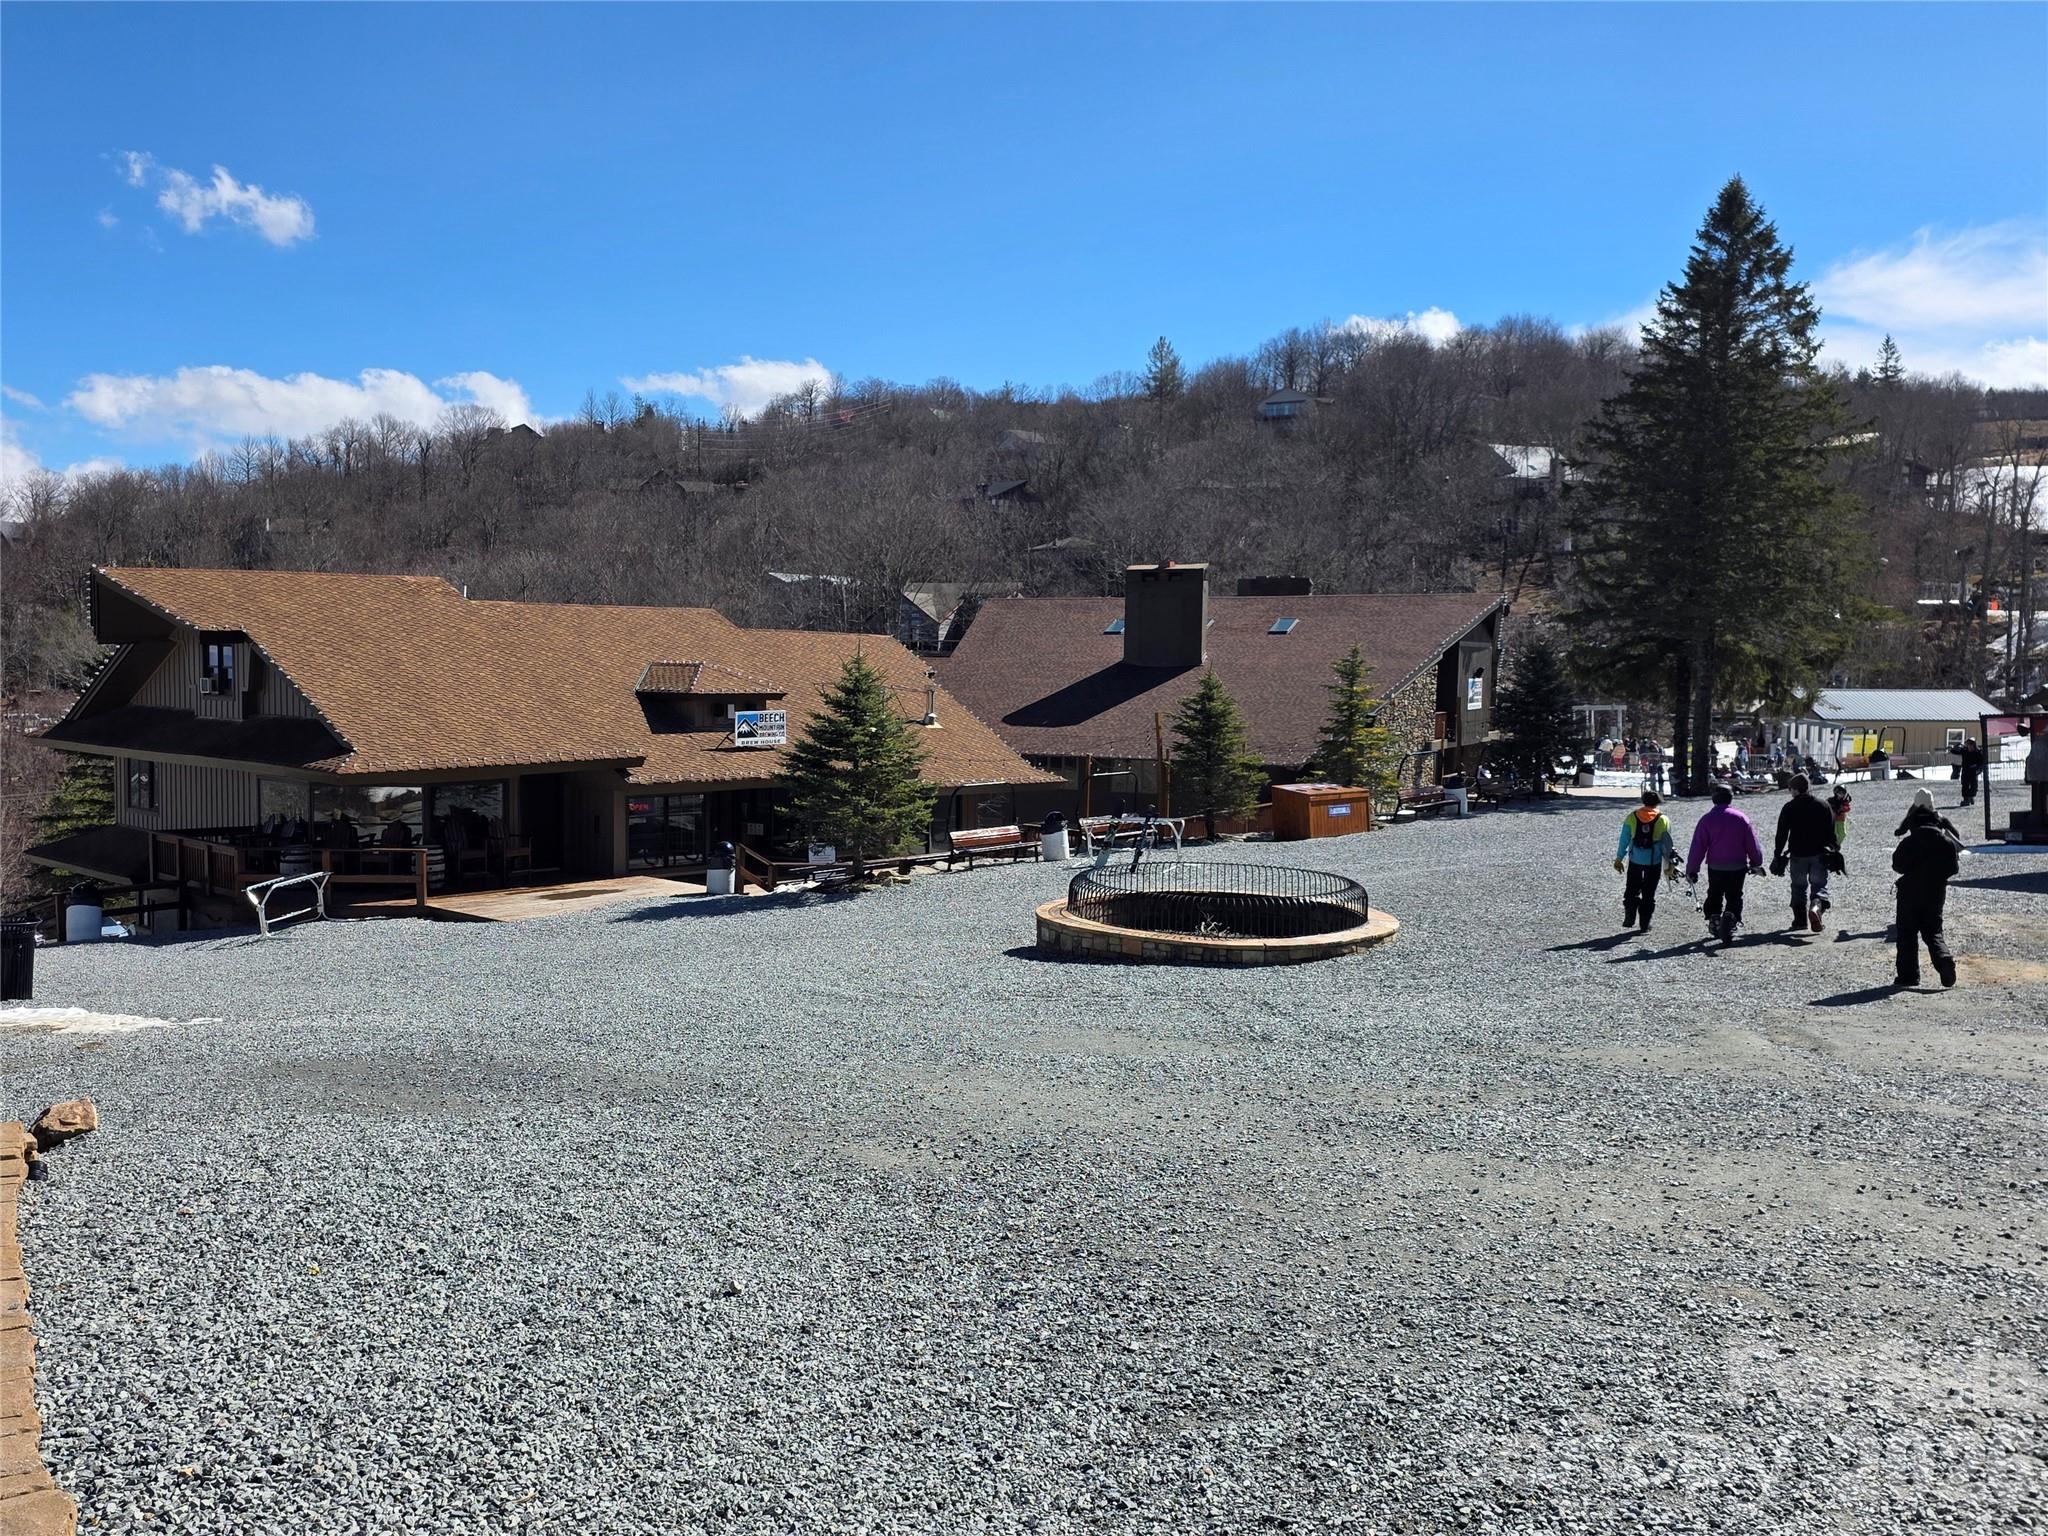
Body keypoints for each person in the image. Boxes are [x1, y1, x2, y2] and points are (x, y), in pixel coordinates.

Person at [1892, 787, 1961, 988]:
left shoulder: (1909, 842)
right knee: (1933, 931)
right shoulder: (1946, 842)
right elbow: (1953, 869)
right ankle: (1943, 959)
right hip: (1936, 892)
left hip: (1909, 893)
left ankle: (1908, 976)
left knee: (1907, 933)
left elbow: (1898, 866)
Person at [1685, 783, 1765, 945]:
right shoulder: (1741, 818)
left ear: (1714, 799)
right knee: (1734, 895)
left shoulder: (1706, 820)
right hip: (1737, 865)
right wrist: (1756, 861)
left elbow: (1698, 846)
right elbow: (1752, 843)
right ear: (1731, 798)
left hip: (1716, 866)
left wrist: (1692, 869)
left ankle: (1715, 919)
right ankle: (1730, 917)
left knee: (1715, 892)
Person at [1772, 773, 1840, 933]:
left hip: (1797, 854)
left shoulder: (1789, 807)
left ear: (1794, 790)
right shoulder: (1823, 805)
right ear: (1808, 787)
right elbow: (1831, 830)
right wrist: (1835, 848)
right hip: (1819, 853)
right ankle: (1816, 907)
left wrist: (1777, 854)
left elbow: (1781, 833)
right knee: (1819, 885)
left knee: (1798, 887)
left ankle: (1800, 921)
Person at [1613, 790, 1675, 934]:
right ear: (1658, 802)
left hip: (1635, 860)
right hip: (1653, 861)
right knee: (1649, 893)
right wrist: (1670, 864)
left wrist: (1619, 858)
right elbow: (1667, 845)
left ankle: (1629, 916)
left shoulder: (1632, 817)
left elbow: (1624, 840)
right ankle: (1644, 924)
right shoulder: (1663, 819)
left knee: (1631, 889)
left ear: (1643, 801)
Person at [1952, 736, 1985, 807]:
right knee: (1965, 785)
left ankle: (1971, 797)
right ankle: (1966, 799)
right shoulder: (1964, 751)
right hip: (1965, 771)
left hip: (1973, 771)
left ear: (1974, 745)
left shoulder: (1978, 752)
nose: (1969, 746)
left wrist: (1978, 770)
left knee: (1974, 786)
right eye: (1968, 744)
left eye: (1971, 744)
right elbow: (1954, 751)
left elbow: (1981, 763)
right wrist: (1956, 747)